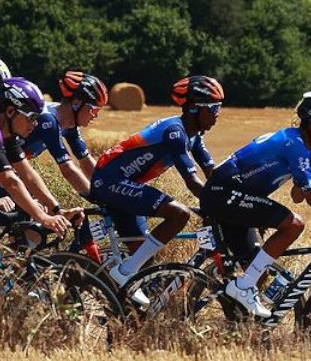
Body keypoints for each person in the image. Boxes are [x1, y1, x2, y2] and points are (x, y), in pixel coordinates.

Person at [200, 90, 311, 317]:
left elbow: (297, 194)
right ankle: (241, 288)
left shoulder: (307, 149)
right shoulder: (294, 144)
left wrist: (301, 183)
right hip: (221, 194)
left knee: (257, 271)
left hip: (232, 196)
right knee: (293, 224)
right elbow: (309, 196)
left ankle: (240, 316)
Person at [90, 75, 223, 300]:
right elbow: (192, 182)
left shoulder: (194, 136)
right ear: (193, 109)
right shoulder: (175, 132)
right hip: (110, 182)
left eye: (219, 107)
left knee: (145, 261)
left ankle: (124, 307)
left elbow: (214, 175)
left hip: (124, 184)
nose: (217, 114)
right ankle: (124, 272)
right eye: (212, 108)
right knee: (178, 214)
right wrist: (220, 208)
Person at [0, 71, 106, 218]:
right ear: (76, 104)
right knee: (30, 216)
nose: (96, 115)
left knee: (39, 217)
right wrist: (102, 200)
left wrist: (108, 190)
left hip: (9, 172)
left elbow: (86, 162)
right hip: (5, 175)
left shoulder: (70, 127)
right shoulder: (47, 121)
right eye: (94, 109)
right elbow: (68, 170)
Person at [0, 78, 73, 233]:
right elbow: (10, 181)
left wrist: (56, 209)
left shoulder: (9, 137)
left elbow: (28, 175)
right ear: (10, 111)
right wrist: (43, 217)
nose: (35, 124)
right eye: (32, 117)